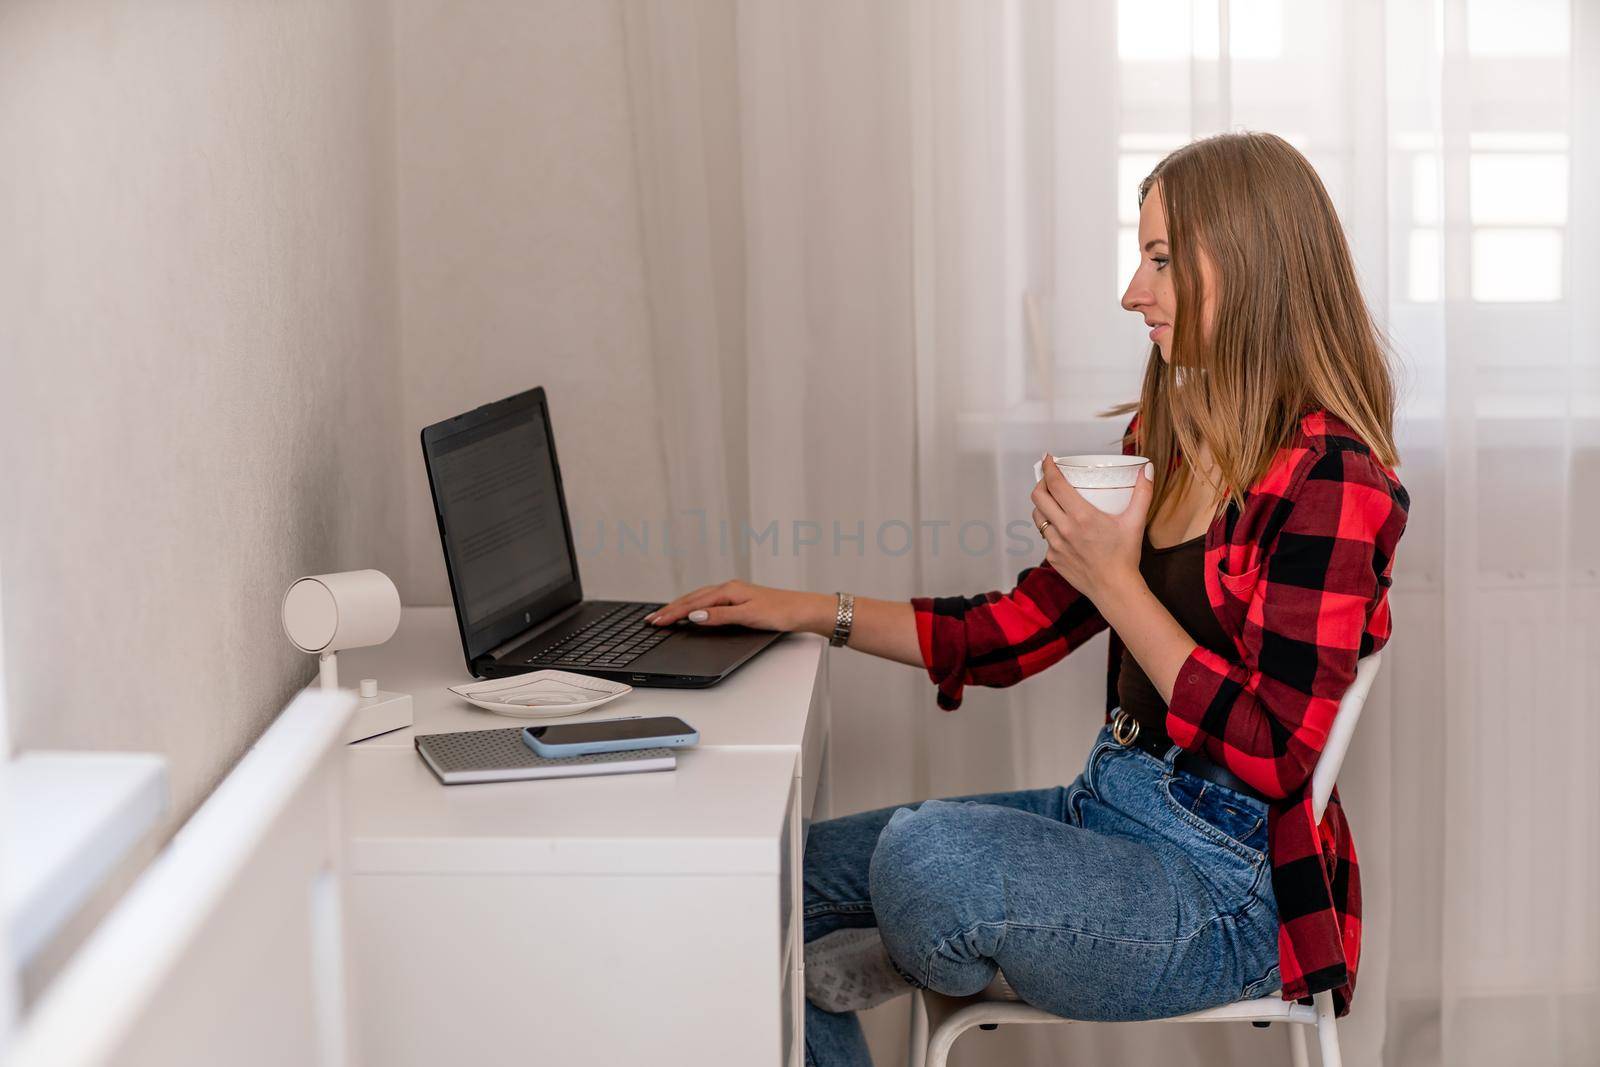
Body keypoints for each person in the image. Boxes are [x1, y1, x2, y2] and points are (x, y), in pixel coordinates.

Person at [646, 131, 1410, 1067]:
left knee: (932, 859)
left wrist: (1117, 580)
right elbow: (1012, 630)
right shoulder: (1166, 435)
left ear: (1249, 264)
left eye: (1162, 260)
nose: (1135, 292)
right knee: (771, 877)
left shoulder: (1335, 478)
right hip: (1106, 807)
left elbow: (1280, 748)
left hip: (1226, 885)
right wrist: (808, 610)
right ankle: (916, 924)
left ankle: (914, 927)